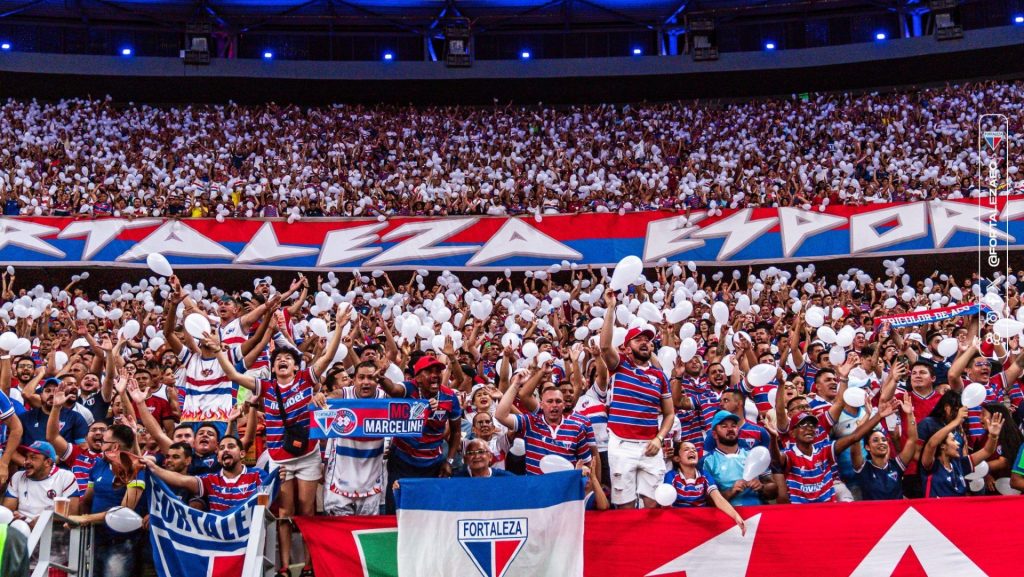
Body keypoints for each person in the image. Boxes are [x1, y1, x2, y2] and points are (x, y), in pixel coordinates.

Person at [210, 303, 345, 577]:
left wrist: (339, 327)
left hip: (307, 456)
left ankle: (308, 564)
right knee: (285, 511)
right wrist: (218, 351)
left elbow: (328, 357)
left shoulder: (307, 379)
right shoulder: (266, 387)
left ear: (296, 366)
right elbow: (234, 374)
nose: (282, 361)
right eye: (277, 360)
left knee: (307, 511)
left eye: (288, 359)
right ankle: (284, 566)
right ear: (273, 368)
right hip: (279, 458)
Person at [599, 289, 674, 509]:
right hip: (621, 444)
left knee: (654, 504)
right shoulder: (620, 365)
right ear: (626, 346)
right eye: (638, 339)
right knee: (625, 506)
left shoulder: (660, 375)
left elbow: (669, 414)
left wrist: (659, 439)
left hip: (651, 445)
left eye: (647, 340)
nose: (644, 343)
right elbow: (604, 347)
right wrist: (611, 307)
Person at [377, 352, 464, 515]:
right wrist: (381, 378)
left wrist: (449, 461)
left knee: (427, 512)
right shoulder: (409, 388)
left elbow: (457, 432)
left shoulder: (450, 397)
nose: (435, 375)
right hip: (402, 462)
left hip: (432, 465)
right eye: (429, 371)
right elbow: (394, 389)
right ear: (417, 378)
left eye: (438, 371)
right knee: (395, 509)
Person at [770, 400, 897, 504]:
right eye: (803, 425)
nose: (809, 428)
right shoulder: (789, 454)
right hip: (802, 513)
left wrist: (879, 416)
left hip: (828, 510)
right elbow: (776, 459)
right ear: (792, 433)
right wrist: (773, 438)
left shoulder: (825, 450)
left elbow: (855, 437)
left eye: (812, 425)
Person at [69, 424, 146, 577]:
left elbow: (123, 512)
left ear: (115, 446)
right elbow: (87, 501)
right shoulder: (99, 464)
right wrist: (84, 521)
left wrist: (85, 519)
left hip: (122, 543)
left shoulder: (136, 469)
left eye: (104, 442)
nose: (100, 445)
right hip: (96, 539)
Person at [495, 371, 593, 476]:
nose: (554, 405)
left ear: (564, 405)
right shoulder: (530, 422)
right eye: (550, 401)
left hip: (565, 487)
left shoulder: (577, 428)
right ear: (541, 405)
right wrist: (515, 385)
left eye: (558, 401)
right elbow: (500, 415)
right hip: (536, 487)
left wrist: (583, 471)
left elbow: (587, 463)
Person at [139, 435, 270, 512]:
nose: (225, 451)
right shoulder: (209, 480)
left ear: (242, 453)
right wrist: (153, 467)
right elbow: (181, 480)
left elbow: (265, 504)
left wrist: (277, 478)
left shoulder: (258, 475)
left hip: (250, 536)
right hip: (219, 540)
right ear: (218, 457)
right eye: (222, 448)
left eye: (231, 447)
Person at [323, 361, 388, 516]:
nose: (366, 382)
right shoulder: (342, 395)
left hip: (371, 484)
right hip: (340, 483)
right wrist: (319, 397)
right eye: (361, 377)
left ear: (377, 380)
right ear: (354, 380)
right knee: (339, 535)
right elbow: (324, 401)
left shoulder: (385, 398)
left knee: (366, 536)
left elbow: (408, 403)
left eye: (371, 378)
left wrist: (427, 405)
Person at [662, 441, 746, 535]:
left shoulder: (705, 475)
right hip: (679, 526)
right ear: (677, 458)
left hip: (701, 525)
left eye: (694, 449)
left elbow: (718, 498)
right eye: (686, 449)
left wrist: (735, 516)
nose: (692, 451)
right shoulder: (671, 476)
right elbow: (666, 505)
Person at [920, 406, 1002, 498]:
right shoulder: (931, 465)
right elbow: (931, 444)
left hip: (958, 511)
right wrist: (957, 421)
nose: (958, 443)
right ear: (942, 445)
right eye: (953, 440)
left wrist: (993, 436)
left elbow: (987, 451)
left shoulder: (960, 464)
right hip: (935, 511)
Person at [850, 395, 918, 500]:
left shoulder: (896, 466)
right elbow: (854, 440)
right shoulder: (863, 468)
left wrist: (909, 414)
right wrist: (868, 415)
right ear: (867, 447)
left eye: (884, 440)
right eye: (875, 440)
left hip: (898, 515)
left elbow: (912, 440)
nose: (881, 443)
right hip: (873, 515)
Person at [701, 411, 775, 506]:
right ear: (714, 434)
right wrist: (731, 491)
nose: (730, 429)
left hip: (758, 513)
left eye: (734, 426)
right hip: (728, 516)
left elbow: (774, 490)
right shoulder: (707, 461)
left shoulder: (752, 455)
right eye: (724, 426)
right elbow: (705, 501)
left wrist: (762, 487)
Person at [3, 441, 79, 521]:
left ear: (48, 462)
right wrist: (13, 516)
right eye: (26, 457)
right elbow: (8, 510)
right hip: (21, 527)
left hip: (51, 529)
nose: (27, 461)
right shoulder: (17, 477)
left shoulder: (66, 477)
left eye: (33, 457)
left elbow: (71, 516)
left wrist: (42, 522)